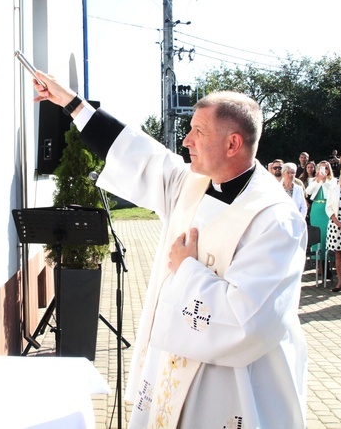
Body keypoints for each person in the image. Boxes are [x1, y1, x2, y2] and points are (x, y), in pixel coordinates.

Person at [32, 72, 308, 428]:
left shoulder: (275, 218)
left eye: (198, 131)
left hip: (231, 386)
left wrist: (187, 270)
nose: (186, 139)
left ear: (232, 144)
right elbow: (138, 154)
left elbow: (250, 322)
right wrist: (72, 104)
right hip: (173, 369)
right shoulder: (192, 182)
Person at [305, 160, 336, 273]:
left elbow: (331, 192)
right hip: (317, 209)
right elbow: (308, 191)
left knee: (326, 236)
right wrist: (318, 181)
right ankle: (319, 265)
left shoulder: (333, 181)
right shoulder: (313, 180)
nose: (324, 171)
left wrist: (324, 181)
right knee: (317, 237)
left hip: (327, 210)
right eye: (321, 168)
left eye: (326, 168)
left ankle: (328, 264)